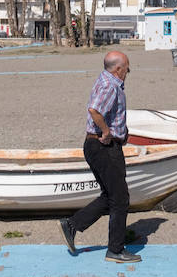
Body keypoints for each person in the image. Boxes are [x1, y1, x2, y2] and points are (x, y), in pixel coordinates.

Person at [59, 50, 139, 263]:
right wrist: (106, 132)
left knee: (111, 195)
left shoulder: (105, 80)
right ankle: (115, 250)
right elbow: (95, 110)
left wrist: (121, 131)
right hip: (103, 147)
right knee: (120, 199)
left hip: (98, 146)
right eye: (127, 68)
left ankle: (72, 225)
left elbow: (107, 112)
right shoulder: (110, 85)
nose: (128, 72)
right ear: (118, 69)